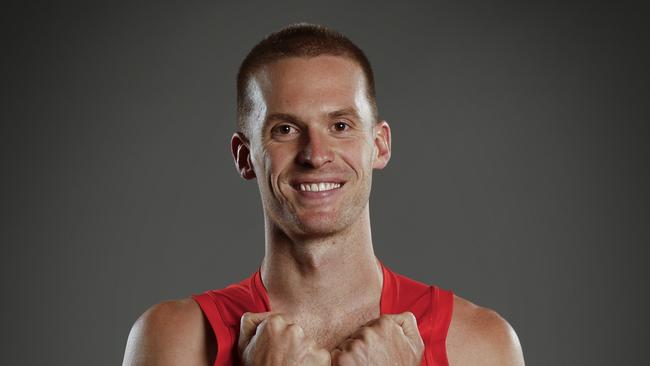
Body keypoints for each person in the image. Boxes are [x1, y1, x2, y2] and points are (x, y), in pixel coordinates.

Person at [122, 23, 525, 366]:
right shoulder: (174, 341)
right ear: (245, 157)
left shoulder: (480, 345)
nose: (315, 155)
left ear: (380, 145)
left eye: (341, 126)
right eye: (285, 129)